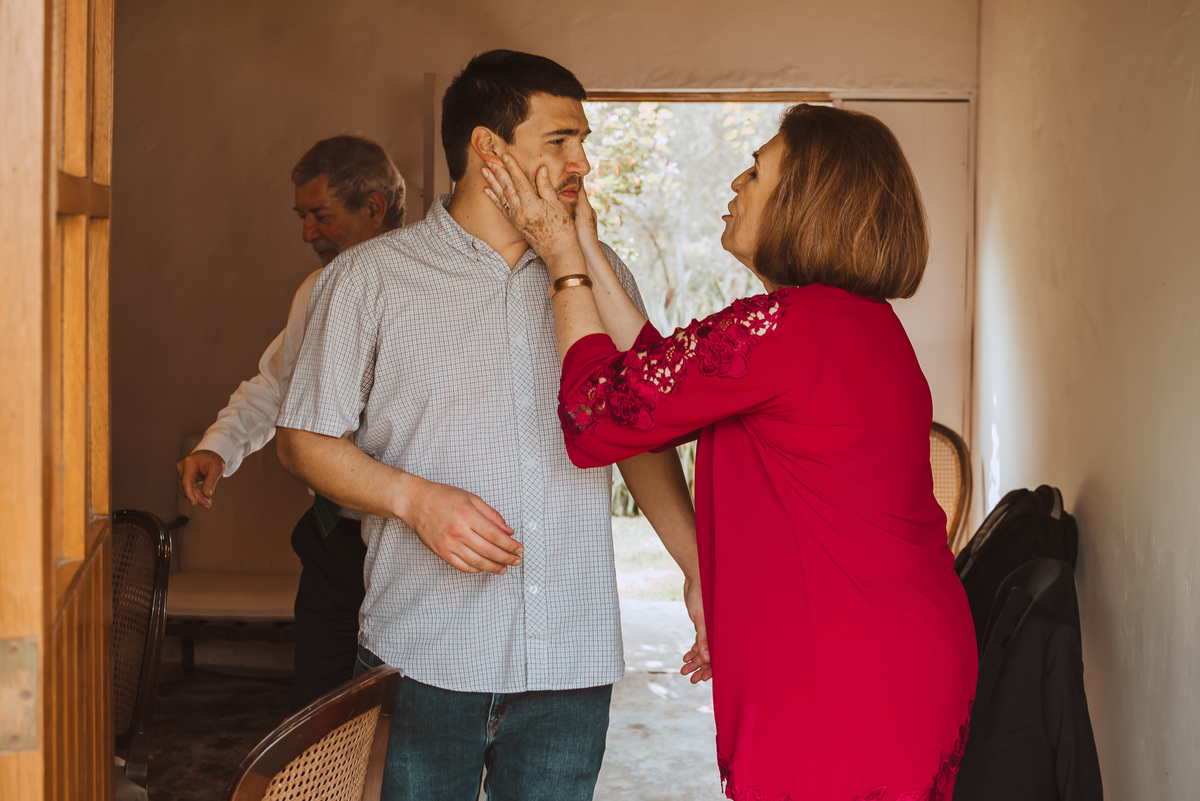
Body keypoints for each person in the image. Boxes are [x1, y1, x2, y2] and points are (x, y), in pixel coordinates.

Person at [483, 103, 978, 800]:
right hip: (900, 647)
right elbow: (663, 380)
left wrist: (562, 261)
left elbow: (597, 415)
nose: (736, 184)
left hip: (845, 667)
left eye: (756, 171)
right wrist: (590, 247)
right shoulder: (857, 326)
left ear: (808, 200)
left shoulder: (783, 329)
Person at [274, 50, 704, 801]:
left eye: (585, 142)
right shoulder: (369, 280)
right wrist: (415, 499)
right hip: (423, 654)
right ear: (489, 148)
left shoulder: (605, 278)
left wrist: (700, 567)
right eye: (561, 140)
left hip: (572, 661)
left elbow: (639, 438)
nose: (582, 163)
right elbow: (302, 438)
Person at [176, 134, 406, 709]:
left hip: (411, 544)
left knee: (403, 715)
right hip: (332, 540)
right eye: (302, 216)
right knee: (321, 709)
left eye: (321, 216)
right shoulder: (317, 289)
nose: (307, 233)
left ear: (374, 207)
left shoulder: (429, 290)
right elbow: (277, 384)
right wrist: (219, 446)